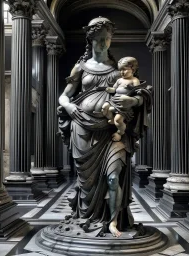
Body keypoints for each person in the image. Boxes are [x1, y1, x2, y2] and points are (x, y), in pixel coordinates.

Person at [58, 16, 151, 237]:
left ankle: (113, 222)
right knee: (88, 183)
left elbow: (142, 93)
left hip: (113, 132)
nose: (102, 44)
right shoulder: (80, 67)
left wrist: (133, 101)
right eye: (98, 39)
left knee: (113, 177)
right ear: (90, 40)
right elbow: (64, 96)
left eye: (106, 39)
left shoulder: (120, 69)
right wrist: (70, 108)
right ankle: (87, 216)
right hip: (82, 128)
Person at [102, 56, 142, 142]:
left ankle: (120, 132)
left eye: (124, 69)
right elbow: (114, 89)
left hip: (124, 105)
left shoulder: (134, 80)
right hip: (114, 100)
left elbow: (138, 90)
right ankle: (111, 119)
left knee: (118, 120)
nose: (122, 72)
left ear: (133, 70)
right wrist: (110, 89)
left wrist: (132, 90)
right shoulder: (119, 80)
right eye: (120, 70)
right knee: (104, 108)